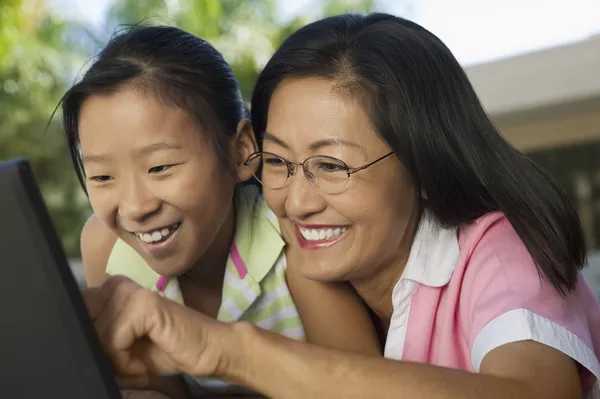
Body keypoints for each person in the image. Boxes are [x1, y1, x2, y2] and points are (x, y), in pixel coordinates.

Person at [82, 13, 600, 398]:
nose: (296, 202)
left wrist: (227, 349)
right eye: (279, 162)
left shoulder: (500, 255)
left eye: (331, 166)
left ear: (423, 162)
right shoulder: (314, 278)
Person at [61, 25, 380, 398]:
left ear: (242, 152)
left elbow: (366, 384)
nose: (134, 207)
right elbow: (153, 385)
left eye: (160, 167)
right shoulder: (107, 249)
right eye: (102, 176)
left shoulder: (294, 242)